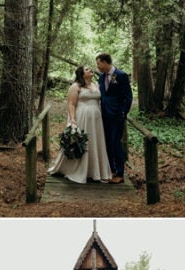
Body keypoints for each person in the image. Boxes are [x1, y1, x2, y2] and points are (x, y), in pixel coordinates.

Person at [48, 65, 112, 183]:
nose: (91, 70)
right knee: (82, 141)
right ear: (82, 74)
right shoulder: (75, 86)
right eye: (87, 69)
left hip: (96, 119)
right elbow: (71, 104)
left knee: (94, 141)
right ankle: (77, 169)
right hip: (82, 117)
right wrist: (72, 120)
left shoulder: (96, 85)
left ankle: (94, 171)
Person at [95, 53, 133, 184]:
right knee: (107, 143)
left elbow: (128, 96)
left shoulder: (121, 75)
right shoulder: (101, 77)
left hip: (117, 115)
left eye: (98, 63)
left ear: (105, 62)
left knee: (116, 143)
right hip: (104, 114)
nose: (98, 66)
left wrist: (123, 112)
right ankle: (111, 169)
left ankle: (120, 173)